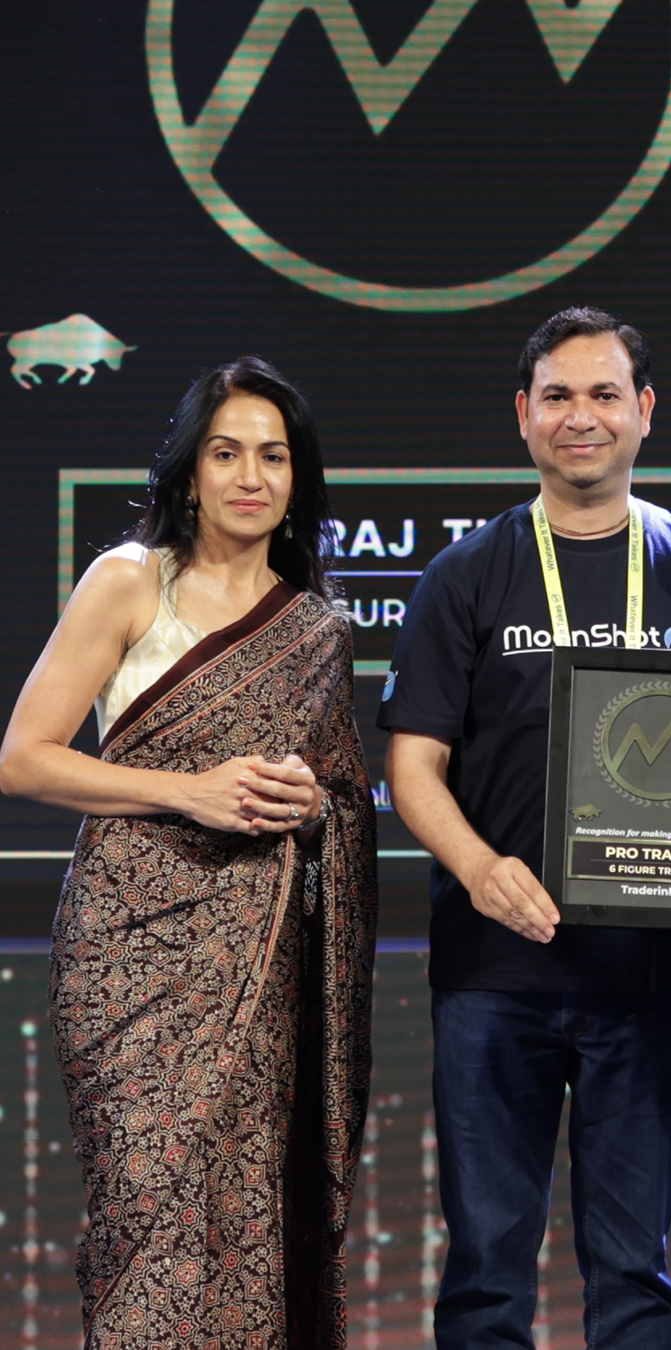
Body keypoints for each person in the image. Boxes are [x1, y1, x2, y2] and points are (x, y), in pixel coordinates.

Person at [379, 307, 671, 1349]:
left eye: (605, 394)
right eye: (559, 396)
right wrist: (479, 867)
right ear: (524, 415)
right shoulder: (465, 573)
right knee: (487, 1277)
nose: (583, 416)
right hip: (495, 973)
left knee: (635, 1275)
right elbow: (411, 767)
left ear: (645, 411)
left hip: (647, 975)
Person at [0, 356, 377, 1349]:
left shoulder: (318, 628)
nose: (251, 476)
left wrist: (314, 810)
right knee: (148, 1215)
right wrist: (189, 791)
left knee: (246, 1218)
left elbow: (342, 804)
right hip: (127, 956)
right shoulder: (130, 580)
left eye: (273, 456)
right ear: (191, 471)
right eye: (226, 453)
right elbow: (24, 759)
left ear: (297, 478)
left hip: (260, 974)